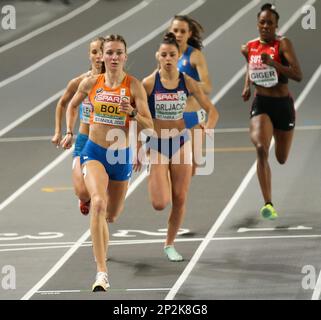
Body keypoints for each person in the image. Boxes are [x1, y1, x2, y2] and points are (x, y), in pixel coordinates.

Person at [61, 34, 153, 291]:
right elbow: (71, 105)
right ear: (102, 55)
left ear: (125, 56)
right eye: (109, 52)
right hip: (95, 151)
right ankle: (101, 272)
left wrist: (132, 112)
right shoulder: (91, 83)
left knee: (111, 216)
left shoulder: (134, 86)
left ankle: (94, 210)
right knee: (98, 203)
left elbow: (150, 126)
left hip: (120, 157)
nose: (113, 57)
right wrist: (69, 131)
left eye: (118, 53)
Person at [143, 32, 219, 262]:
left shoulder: (187, 81)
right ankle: (158, 176)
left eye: (172, 54)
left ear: (178, 56)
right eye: (163, 54)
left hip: (180, 142)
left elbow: (212, 110)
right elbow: (137, 116)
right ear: (157, 56)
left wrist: (208, 127)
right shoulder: (148, 83)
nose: (167, 58)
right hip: (156, 143)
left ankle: (170, 244)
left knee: (180, 197)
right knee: (159, 203)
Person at [241, 3, 302, 220]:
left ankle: (278, 132)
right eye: (262, 22)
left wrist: (274, 63)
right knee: (260, 149)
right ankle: (268, 203)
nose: (265, 26)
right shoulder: (249, 47)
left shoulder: (283, 44)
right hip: (262, 104)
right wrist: (247, 85)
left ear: (277, 26)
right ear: (257, 24)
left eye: (270, 23)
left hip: (283, 105)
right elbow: (250, 65)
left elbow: (298, 74)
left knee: (281, 158)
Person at [51, 37, 104, 215]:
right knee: (82, 191)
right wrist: (62, 132)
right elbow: (63, 104)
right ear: (89, 55)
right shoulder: (80, 81)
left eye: (102, 51)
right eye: (94, 52)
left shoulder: (115, 83)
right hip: (84, 139)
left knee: (102, 200)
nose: (98, 56)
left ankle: (99, 233)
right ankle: (84, 198)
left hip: (106, 142)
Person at [169, 15, 212, 175]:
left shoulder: (195, 56)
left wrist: (186, 85)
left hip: (192, 117)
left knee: (191, 168)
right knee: (170, 164)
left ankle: (180, 199)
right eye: (175, 30)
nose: (178, 34)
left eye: (182, 31)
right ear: (170, 32)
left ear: (189, 33)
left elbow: (207, 87)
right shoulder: (165, 54)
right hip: (170, 116)